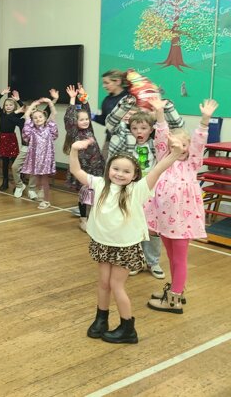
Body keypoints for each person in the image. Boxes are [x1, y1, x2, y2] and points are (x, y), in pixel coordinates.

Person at [69, 136, 182, 344]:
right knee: (103, 283)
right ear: (108, 169)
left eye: (126, 171)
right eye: (116, 169)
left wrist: (174, 153)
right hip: (103, 243)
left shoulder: (137, 189)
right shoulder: (100, 184)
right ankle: (101, 320)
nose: (120, 174)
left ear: (135, 175)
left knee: (116, 285)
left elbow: (158, 169)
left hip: (125, 247)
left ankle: (128, 327)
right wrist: (75, 150)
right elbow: (76, 170)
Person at [146, 98, 218, 314]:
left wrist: (205, 120)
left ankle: (174, 300)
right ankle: (176, 289)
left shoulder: (192, 163)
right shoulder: (165, 159)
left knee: (179, 258)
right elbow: (161, 136)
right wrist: (159, 114)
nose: (179, 148)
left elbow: (199, 141)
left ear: (189, 147)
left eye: (183, 145)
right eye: (173, 145)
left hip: (182, 220)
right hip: (164, 218)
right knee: (170, 256)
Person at [105, 94, 184, 279]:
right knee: (130, 225)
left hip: (152, 191)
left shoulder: (157, 143)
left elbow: (177, 126)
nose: (138, 131)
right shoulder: (124, 139)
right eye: (134, 128)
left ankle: (152, 261)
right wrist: (126, 104)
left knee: (152, 229)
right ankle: (135, 260)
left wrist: (166, 106)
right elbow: (111, 122)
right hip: (130, 190)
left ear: (151, 129)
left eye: (143, 128)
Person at [62, 84, 105, 231]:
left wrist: (84, 97)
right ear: (75, 122)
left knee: (96, 193)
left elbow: (87, 109)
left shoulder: (89, 129)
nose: (85, 121)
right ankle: (83, 219)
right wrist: (72, 99)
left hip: (96, 166)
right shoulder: (74, 132)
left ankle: (94, 218)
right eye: (82, 120)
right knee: (84, 194)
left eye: (87, 119)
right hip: (83, 169)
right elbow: (69, 118)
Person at [21, 97, 58, 209]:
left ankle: (46, 200)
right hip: (35, 158)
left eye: (40, 117)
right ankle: (41, 192)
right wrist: (33, 105)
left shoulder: (49, 127)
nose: (38, 119)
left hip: (46, 158)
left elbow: (54, 113)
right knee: (37, 178)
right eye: (35, 118)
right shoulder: (31, 130)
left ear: (45, 118)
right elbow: (27, 115)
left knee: (44, 179)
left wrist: (50, 102)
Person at [93, 69, 129, 159]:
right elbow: (105, 120)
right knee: (104, 162)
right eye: (103, 83)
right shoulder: (107, 100)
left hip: (128, 140)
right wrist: (90, 115)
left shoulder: (129, 98)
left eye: (106, 83)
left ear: (118, 81)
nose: (104, 86)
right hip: (110, 138)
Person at [0, 87, 23, 191]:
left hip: (11, 139)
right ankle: (5, 181)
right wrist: (1, 94)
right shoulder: (2, 114)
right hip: (3, 139)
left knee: (14, 162)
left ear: (14, 107)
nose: (8, 107)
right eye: (6, 105)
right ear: (4, 107)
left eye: (10, 105)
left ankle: (17, 183)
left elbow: (24, 108)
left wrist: (18, 100)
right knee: (5, 162)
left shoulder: (16, 115)